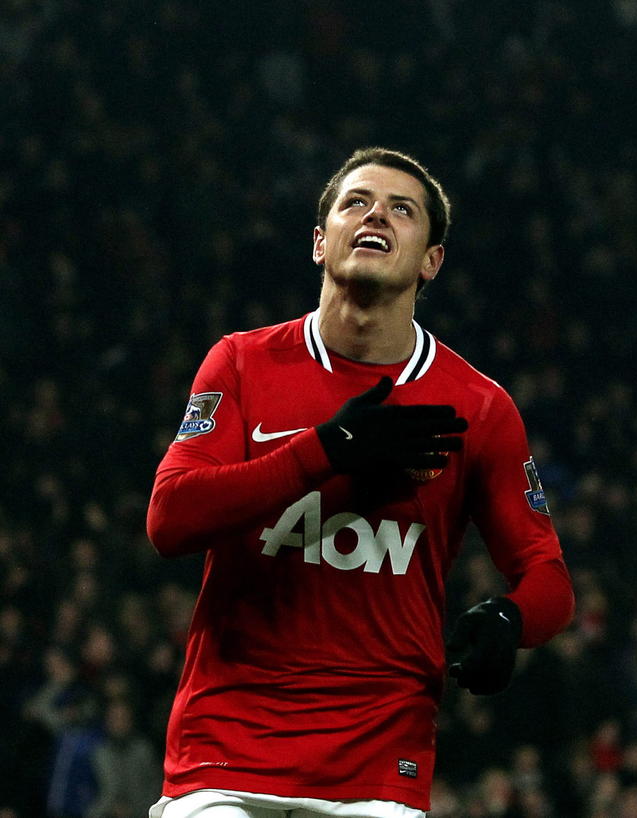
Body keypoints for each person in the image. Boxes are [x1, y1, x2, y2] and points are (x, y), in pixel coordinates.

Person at [146, 147, 575, 818]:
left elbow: (547, 575)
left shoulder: (480, 407)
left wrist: (508, 619)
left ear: (431, 260)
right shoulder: (241, 363)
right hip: (226, 748)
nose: (375, 214)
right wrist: (327, 450)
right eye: (356, 203)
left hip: (378, 762)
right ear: (320, 242)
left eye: (402, 210)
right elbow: (170, 520)